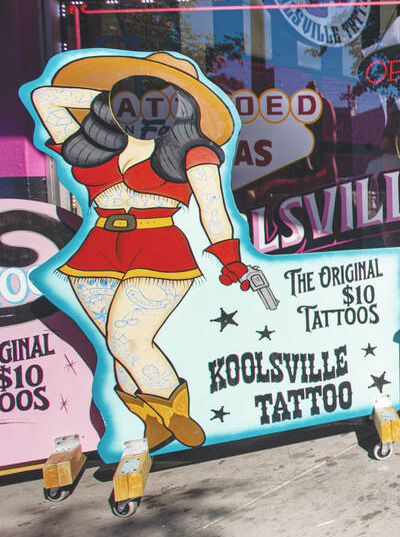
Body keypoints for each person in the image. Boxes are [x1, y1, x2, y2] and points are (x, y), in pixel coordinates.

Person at [31, 51, 253, 452]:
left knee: (128, 340)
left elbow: (213, 209)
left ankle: (176, 413)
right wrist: (108, 101)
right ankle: (151, 422)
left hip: (159, 245)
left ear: (180, 103)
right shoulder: (95, 141)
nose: (143, 106)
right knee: (113, 344)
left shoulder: (192, 151)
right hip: (97, 249)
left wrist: (229, 257)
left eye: (159, 96)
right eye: (136, 94)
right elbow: (45, 98)